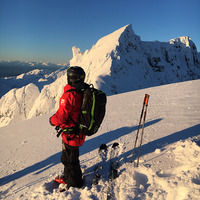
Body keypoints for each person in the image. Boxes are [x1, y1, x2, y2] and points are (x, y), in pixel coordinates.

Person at [49, 66, 89, 188]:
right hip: (79, 131)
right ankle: (68, 177)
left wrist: (51, 120)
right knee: (71, 157)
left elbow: (61, 117)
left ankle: (74, 183)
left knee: (69, 160)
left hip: (71, 134)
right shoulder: (83, 91)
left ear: (70, 78)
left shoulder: (69, 95)